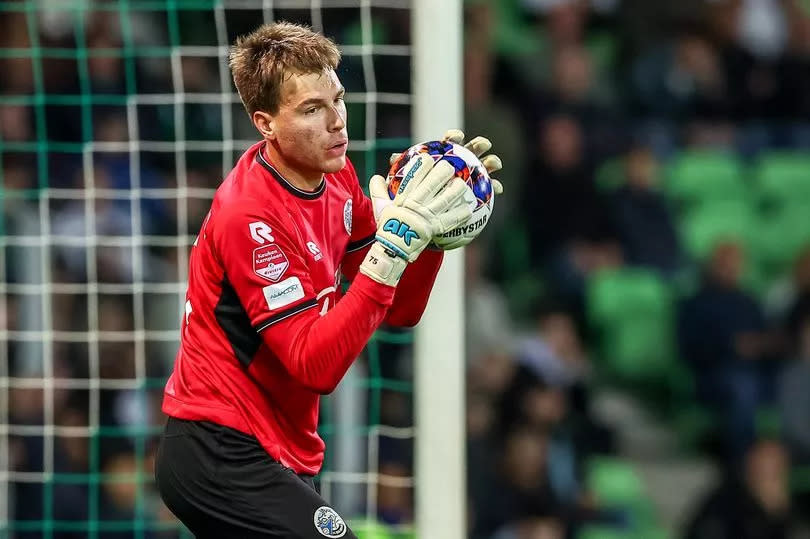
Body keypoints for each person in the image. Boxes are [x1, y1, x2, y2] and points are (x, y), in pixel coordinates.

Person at [154, 22, 503, 539]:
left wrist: (428, 239)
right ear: (264, 123)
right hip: (217, 450)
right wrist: (391, 249)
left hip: (282, 451)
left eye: (337, 99)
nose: (337, 121)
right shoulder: (249, 216)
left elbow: (399, 309)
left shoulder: (334, 175)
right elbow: (314, 364)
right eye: (312, 109)